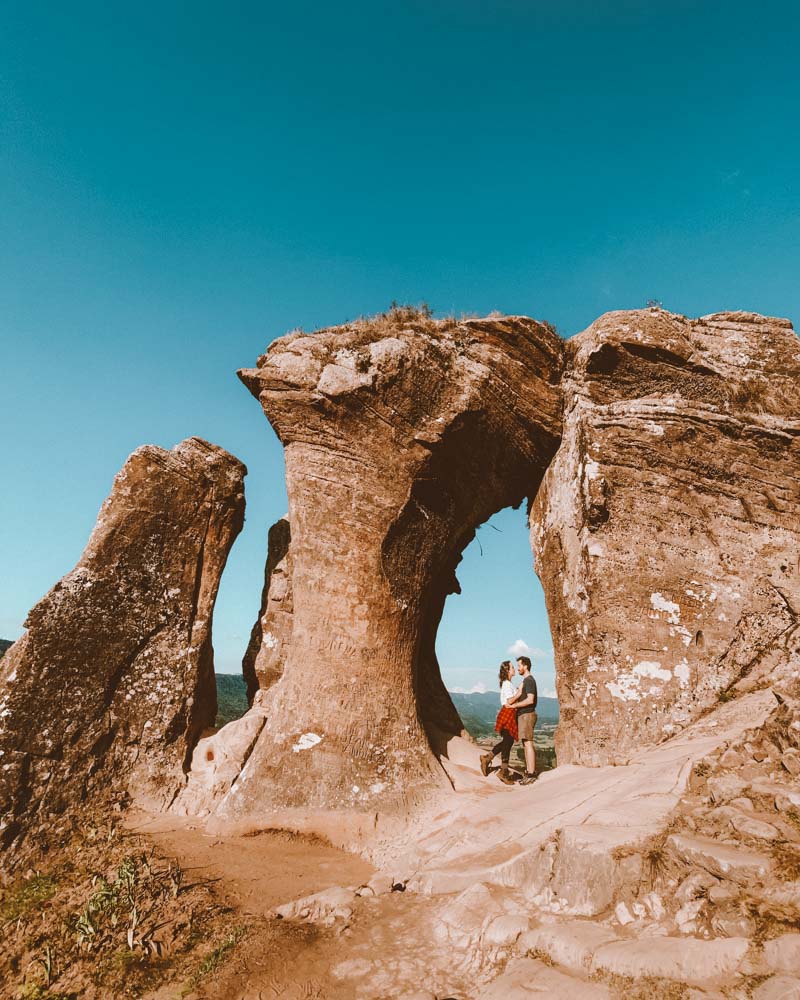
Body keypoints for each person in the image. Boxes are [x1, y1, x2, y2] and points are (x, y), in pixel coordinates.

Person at [480, 660, 518, 785]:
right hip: (508, 714)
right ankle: (503, 771)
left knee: (507, 742)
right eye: (512, 667)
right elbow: (509, 701)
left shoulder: (508, 684)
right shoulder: (507, 684)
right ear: (507, 671)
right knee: (507, 743)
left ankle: (487, 758)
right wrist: (520, 692)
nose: (514, 669)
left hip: (509, 714)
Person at [510, 655, 539, 784]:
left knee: (528, 743)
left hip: (527, 715)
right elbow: (519, 695)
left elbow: (530, 700)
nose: (518, 669)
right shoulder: (525, 681)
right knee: (525, 743)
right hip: (523, 715)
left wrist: (515, 705)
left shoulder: (529, 681)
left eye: (519, 666)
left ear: (525, 666)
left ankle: (532, 773)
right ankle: (529, 772)